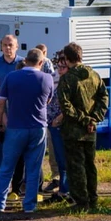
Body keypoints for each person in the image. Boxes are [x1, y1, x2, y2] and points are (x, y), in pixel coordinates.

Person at [0, 48, 53, 214]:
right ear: (41, 62)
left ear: (25, 60)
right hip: (38, 127)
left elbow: (0, 104)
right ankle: (29, 205)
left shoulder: (11, 77)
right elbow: (48, 100)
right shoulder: (47, 78)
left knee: (7, 166)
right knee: (33, 168)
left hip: (15, 127)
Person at [58, 43, 108, 210]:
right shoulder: (94, 75)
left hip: (74, 130)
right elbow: (104, 97)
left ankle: (81, 202)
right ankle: (92, 198)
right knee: (90, 165)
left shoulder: (67, 79)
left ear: (66, 58)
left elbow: (65, 105)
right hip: (90, 130)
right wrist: (94, 119)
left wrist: (84, 119)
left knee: (75, 166)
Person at [0, 35, 25, 199]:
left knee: (20, 152)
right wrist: (0, 117)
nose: (8, 48)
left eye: (11, 45)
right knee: (0, 151)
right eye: (5, 45)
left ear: (17, 46)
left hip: (19, 115)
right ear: (0, 46)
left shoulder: (24, 64)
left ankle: (19, 184)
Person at [44, 52, 68, 198]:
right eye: (58, 66)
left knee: (66, 157)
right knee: (55, 153)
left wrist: (60, 117)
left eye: (63, 66)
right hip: (51, 122)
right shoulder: (52, 78)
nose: (60, 69)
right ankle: (57, 179)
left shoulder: (71, 81)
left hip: (65, 123)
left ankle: (65, 188)